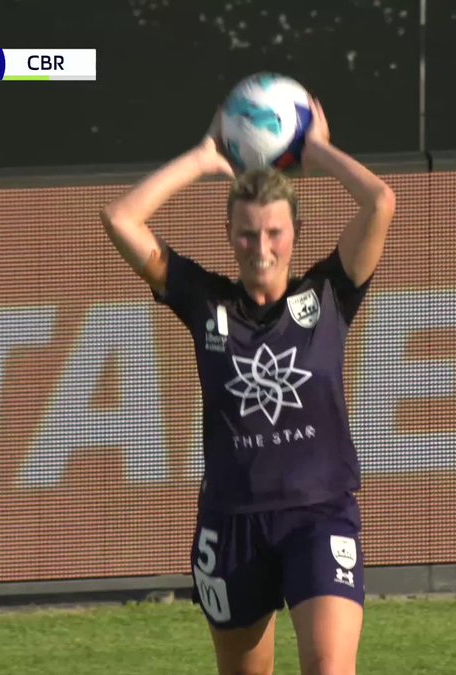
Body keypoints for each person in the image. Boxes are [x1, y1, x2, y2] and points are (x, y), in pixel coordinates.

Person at [101, 97, 394, 675]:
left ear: (296, 232)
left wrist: (316, 150)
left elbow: (381, 201)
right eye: (246, 235)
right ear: (229, 233)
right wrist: (202, 157)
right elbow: (120, 220)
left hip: (319, 514)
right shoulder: (204, 301)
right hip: (232, 524)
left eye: (274, 234)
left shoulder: (329, 296)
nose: (261, 249)